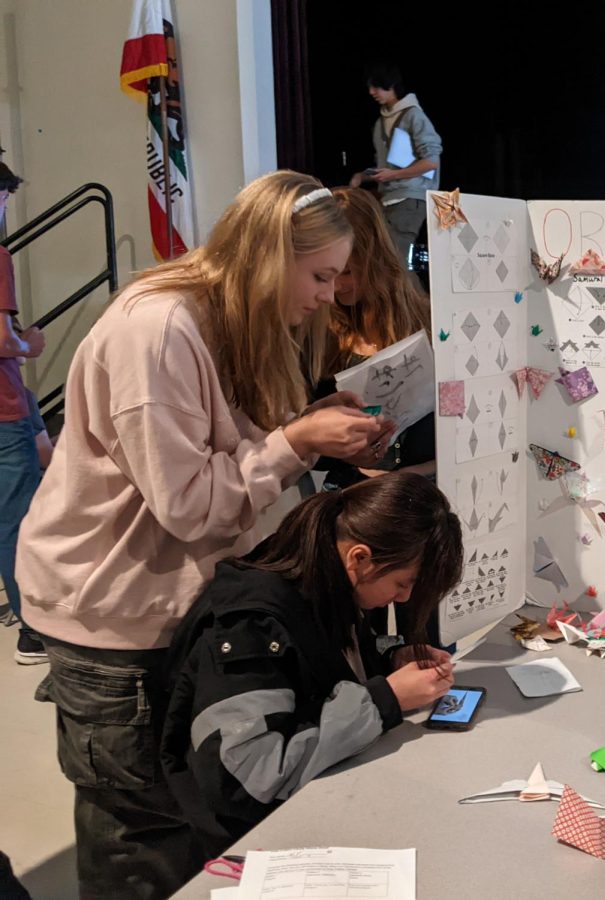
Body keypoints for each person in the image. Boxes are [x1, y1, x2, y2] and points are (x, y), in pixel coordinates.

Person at [15, 170, 389, 899]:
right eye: (318, 276)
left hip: (169, 612)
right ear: (269, 254)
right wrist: (297, 441)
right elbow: (189, 505)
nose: (324, 296)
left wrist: (312, 431)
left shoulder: (226, 324)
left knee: (185, 828)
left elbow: (232, 451)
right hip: (116, 629)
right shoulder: (158, 331)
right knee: (142, 844)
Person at [161, 473, 462, 858]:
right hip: (256, 842)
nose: (403, 599)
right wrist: (385, 699)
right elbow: (252, 778)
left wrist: (390, 660)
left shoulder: (324, 578)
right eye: (403, 583)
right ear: (360, 558)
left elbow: (324, 670)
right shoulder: (254, 624)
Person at [315, 186, 435, 489]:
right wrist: (345, 453)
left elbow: (459, 431)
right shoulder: (320, 334)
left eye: (346, 272)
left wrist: (414, 474)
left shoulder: (431, 325)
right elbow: (309, 448)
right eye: (323, 275)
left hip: (422, 490)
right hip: (349, 490)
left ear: (375, 258)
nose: (334, 289)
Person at [0, 158, 49, 665]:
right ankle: (33, 631)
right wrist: (29, 345)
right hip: (3, 405)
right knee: (19, 519)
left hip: (17, 402)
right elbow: (1, 339)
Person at [349, 63, 442, 268]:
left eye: (376, 86)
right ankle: (414, 300)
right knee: (384, 263)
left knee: (393, 264)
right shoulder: (380, 123)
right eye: (370, 87)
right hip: (388, 200)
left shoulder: (413, 116)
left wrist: (393, 175)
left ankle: (418, 301)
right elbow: (385, 168)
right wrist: (361, 177)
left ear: (390, 84)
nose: (372, 92)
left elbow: (431, 162)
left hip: (411, 198)